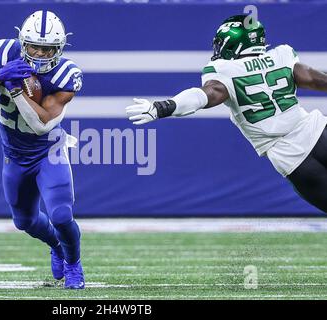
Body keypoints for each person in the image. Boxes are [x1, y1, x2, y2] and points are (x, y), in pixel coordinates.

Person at [126, 15, 327, 213]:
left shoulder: (225, 69)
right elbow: (313, 79)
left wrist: (163, 107)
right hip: (318, 132)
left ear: (234, 44)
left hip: (291, 157)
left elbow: (204, 96)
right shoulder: (281, 55)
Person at [0, 10, 85, 289]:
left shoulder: (67, 73)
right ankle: (55, 245)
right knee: (24, 221)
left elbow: (41, 126)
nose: (41, 54)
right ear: (22, 42)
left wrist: (15, 90)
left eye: (48, 49)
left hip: (48, 152)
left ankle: (74, 264)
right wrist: (0, 75)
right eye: (34, 47)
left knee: (61, 215)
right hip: (15, 156)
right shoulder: (5, 53)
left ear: (60, 48)